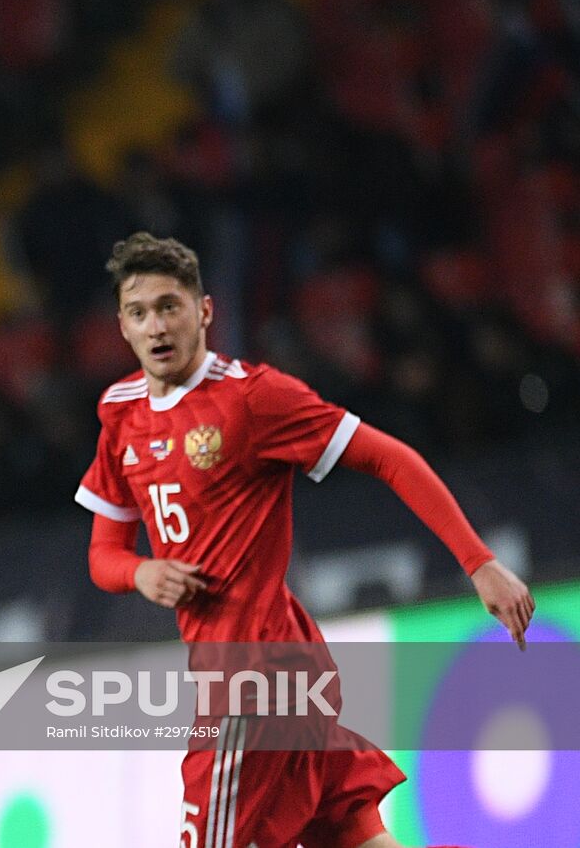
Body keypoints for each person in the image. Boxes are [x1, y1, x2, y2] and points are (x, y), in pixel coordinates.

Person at [76, 232, 534, 848]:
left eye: (169, 306)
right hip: (277, 675)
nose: (156, 325)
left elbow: (390, 458)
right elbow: (103, 556)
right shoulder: (119, 413)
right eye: (139, 312)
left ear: (205, 311)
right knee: (352, 838)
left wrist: (479, 564)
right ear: (122, 327)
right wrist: (141, 573)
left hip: (257, 676)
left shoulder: (254, 398)